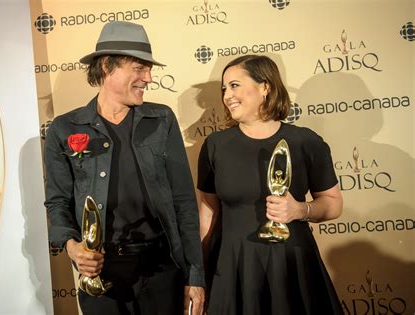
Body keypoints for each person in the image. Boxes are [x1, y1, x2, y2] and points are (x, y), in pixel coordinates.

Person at [44, 21, 205, 315]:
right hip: (101, 274)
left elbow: (184, 203)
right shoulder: (64, 128)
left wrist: (195, 276)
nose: (149, 77)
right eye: (139, 68)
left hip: (162, 269)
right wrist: (72, 248)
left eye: (148, 69)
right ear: (107, 66)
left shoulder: (162, 120)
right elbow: (57, 203)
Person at [198, 55, 343, 314]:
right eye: (224, 88)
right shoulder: (215, 146)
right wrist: (198, 272)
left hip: (291, 264)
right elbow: (208, 212)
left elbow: (332, 204)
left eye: (234, 85)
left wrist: (301, 210)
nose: (226, 95)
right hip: (234, 267)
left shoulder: (305, 141)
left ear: (265, 87)